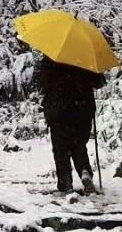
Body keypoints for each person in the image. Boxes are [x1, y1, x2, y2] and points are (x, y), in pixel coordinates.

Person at [33, 55, 104, 194]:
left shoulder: (52, 57)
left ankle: (65, 182)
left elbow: (42, 85)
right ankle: (84, 171)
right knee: (79, 145)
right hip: (82, 109)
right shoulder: (85, 56)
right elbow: (98, 82)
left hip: (58, 109)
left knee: (60, 149)